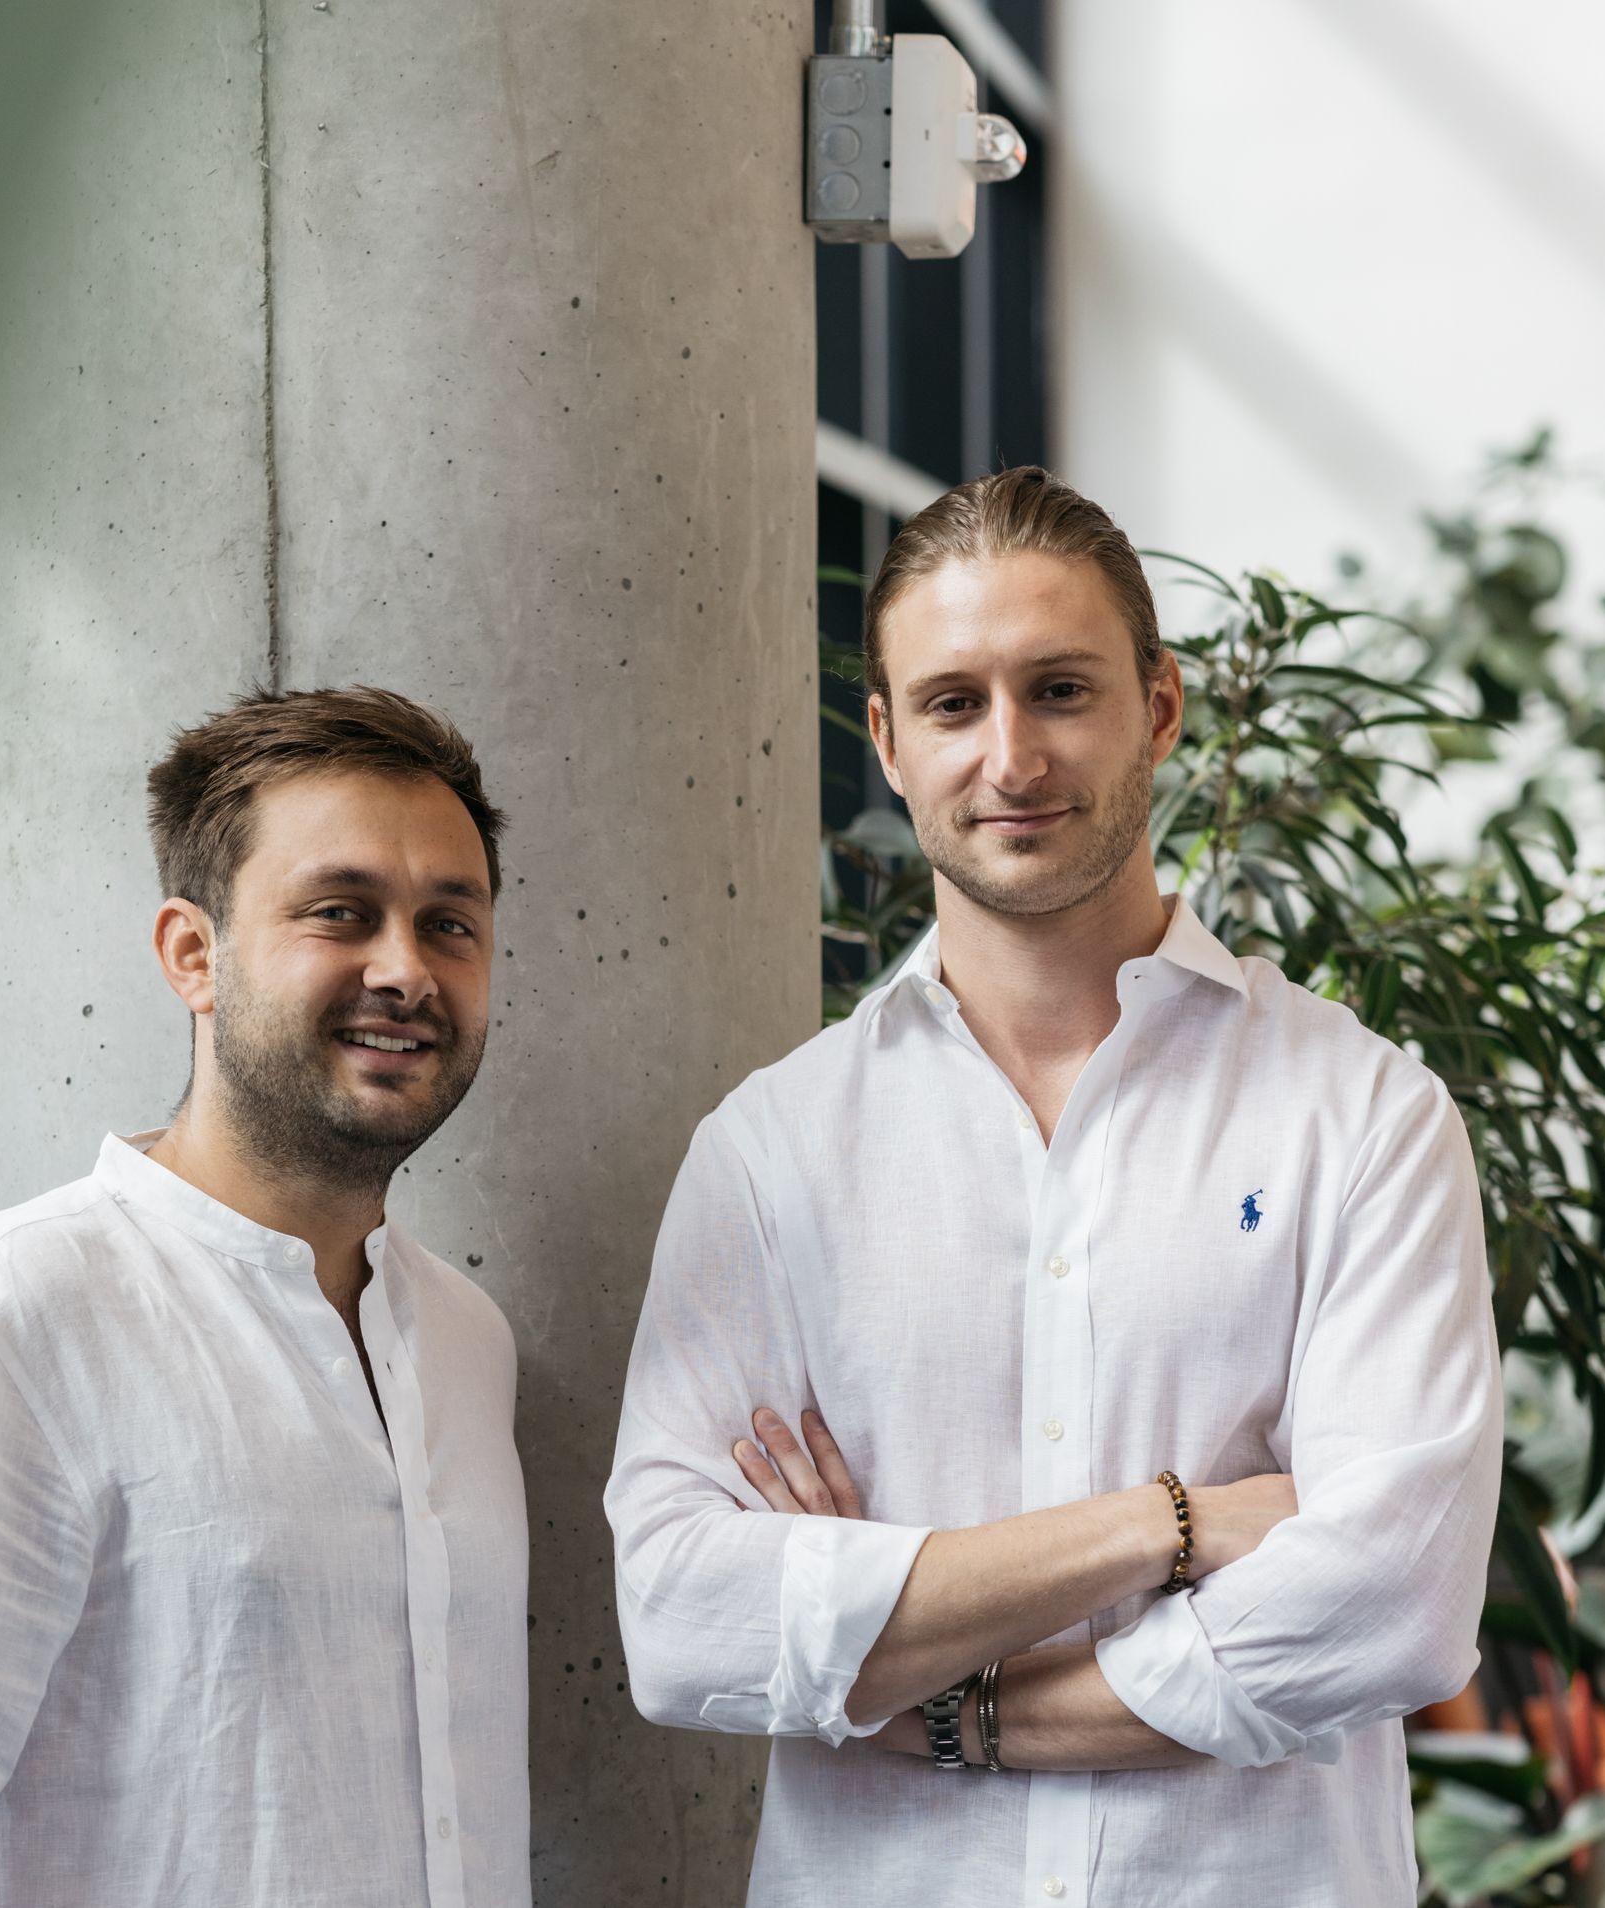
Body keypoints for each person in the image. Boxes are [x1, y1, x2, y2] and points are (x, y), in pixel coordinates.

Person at [606, 468, 1502, 1906]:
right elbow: (680, 1621)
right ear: (890, 744)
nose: (1010, 757)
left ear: (1160, 707)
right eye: (955, 704)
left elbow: (1388, 1605)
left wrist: (933, 1698)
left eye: (1061, 690)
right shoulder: (773, 1154)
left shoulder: (1365, 1117)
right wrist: (1173, 1526)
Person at [0, 687, 529, 1908]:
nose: (405, 971)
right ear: (192, 955)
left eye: (449, 924)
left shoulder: (467, 1343)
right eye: (341, 913)